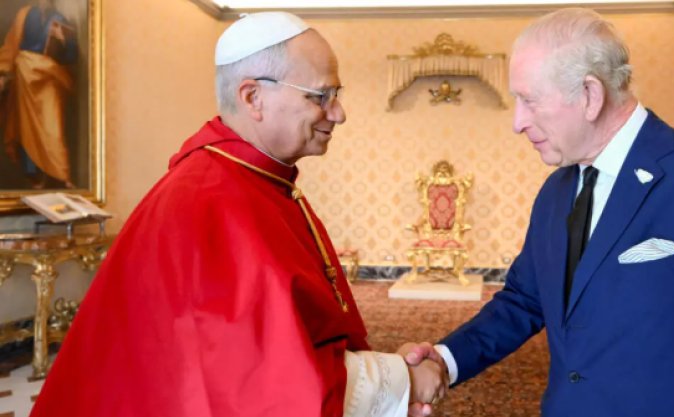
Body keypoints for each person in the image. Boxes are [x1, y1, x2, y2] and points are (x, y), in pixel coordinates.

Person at [405, 8, 674, 417]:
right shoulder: (555, 192)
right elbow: (524, 301)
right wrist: (444, 360)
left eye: (530, 101)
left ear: (590, 95)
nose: (517, 122)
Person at [32, 12, 445, 417]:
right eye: (320, 96)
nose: (338, 113)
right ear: (253, 98)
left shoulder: (253, 178)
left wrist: (387, 373)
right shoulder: (209, 200)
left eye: (336, 94)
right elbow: (262, 387)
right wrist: (402, 379)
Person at [0, 0, 78, 189]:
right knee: (27, 127)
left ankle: (61, 174)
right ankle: (36, 177)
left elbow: (71, 56)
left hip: (50, 77)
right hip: (25, 74)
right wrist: (2, 73)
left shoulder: (59, 18)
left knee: (53, 127)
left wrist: (63, 39)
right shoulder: (24, 15)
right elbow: (11, 46)